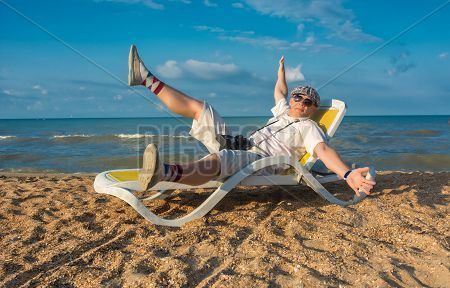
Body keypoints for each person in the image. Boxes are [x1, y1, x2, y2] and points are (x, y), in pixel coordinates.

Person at [127, 45, 375, 196]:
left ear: (313, 109)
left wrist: (347, 174)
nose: (301, 102)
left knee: (223, 160)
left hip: (260, 160)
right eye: (298, 96)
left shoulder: (309, 127)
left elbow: (323, 150)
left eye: (308, 102)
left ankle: (164, 172)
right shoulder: (282, 112)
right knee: (204, 110)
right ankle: (145, 78)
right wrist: (281, 73)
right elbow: (279, 92)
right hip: (239, 143)